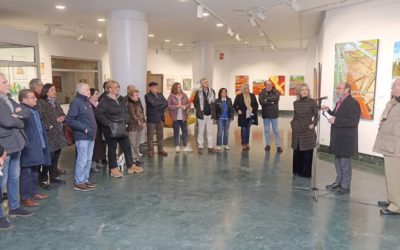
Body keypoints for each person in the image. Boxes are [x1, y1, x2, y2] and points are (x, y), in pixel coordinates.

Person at [0, 73, 34, 227]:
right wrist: (17, 119)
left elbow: (26, 113)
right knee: (2, 181)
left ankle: (14, 207)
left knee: (14, 177)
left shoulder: (9, 99)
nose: (8, 84)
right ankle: (1, 216)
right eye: (4, 82)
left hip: (17, 143)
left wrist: (16, 116)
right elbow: (7, 121)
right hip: (4, 147)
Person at [95, 80, 143, 178]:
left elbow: (125, 111)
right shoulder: (104, 100)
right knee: (112, 148)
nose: (117, 89)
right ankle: (113, 169)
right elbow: (98, 114)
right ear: (109, 89)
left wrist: (126, 120)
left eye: (118, 87)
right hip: (110, 128)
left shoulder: (121, 98)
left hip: (121, 126)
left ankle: (130, 166)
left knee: (126, 146)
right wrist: (108, 123)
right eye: (114, 87)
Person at [322, 82, 361, 195]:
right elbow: (337, 116)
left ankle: (345, 187)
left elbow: (353, 122)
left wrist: (336, 120)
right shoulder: (340, 102)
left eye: (339, 88)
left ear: (347, 90)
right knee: (338, 162)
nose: (337, 90)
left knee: (345, 164)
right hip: (338, 138)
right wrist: (328, 111)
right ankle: (338, 183)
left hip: (346, 139)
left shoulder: (353, 103)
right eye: (337, 88)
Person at [19, 89, 51, 206]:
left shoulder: (33, 111)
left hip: (38, 145)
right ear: (24, 99)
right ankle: (25, 197)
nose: (35, 99)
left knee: (34, 171)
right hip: (29, 147)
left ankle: (34, 192)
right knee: (26, 173)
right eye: (32, 97)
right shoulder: (22, 112)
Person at [373, 78, 400, 215]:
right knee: (390, 175)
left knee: (394, 176)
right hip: (389, 145)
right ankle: (392, 199)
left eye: (394, 87)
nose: (392, 90)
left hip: (396, 147)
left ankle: (397, 206)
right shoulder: (393, 102)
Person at [66, 83, 98, 192]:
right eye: (88, 89)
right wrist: (84, 128)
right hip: (82, 136)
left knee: (88, 160)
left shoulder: (87, 102)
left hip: (90, 136)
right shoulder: (76, 102)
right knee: (82, 160)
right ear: (81, 91)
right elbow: (69, 120)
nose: (90, 91)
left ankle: (85, 179)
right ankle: (79, 182)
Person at [36, 83, 67, 188]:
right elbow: (39, 119)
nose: (55, 91)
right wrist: (52, 123)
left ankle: (53, 177)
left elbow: (62, 114)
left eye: (55, 89)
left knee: (56, 157)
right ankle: (44, 179)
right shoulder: (40, 103)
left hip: (58, 134)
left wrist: (63, 117)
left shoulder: (56, 103)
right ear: (46, 92)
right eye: (52, 90)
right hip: (48, 135)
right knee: (48, 158)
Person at [290, 84, 318, 178]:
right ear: (299, 92)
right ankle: (297, 171)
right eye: (302, 90)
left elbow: (316, 116)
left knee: (307, 153)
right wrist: (292, 124)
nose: (305, 91)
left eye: (306, 89)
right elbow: (295, 116)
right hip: (297, 130)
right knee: (297, 151)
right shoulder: (296, 103)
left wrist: (313, 124)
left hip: (308, 130)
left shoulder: (313, 102)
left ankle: (305, 173)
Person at [145, 82, 168, 157]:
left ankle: (160, 150)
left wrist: (158, 104)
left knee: (160, 136)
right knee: (150, 137)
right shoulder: (147, 96)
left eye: (156, 87)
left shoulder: (160, 94)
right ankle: (150, 151)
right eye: (154, 87)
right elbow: (152, 104)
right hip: (151, 119)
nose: (156, 88)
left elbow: (166, 103)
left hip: (160, 118)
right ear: (150, 88)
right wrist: (160, 104)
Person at [258, 80, 283, 153]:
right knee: (266, 130)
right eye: (268, 85)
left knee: (275, 130)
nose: (269, 86)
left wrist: (267, 99)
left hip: (274, 114)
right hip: (266, 114)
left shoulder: (275, 91)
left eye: (270, 85)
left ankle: (278, 146)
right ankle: (267, 145)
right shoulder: (261, 93)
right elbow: (261, 102)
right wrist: (271, 102)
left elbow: (276, 99)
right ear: (265, 85)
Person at [167, 82, 192, 153]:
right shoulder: (171, 96)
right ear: (175, 88)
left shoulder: (184, 95)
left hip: (183, 117)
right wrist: (176, 106)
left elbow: (189, 104)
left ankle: (185, 146)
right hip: (175, 118)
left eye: (180, 87)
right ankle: (177, 146)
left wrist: (184, 106)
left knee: (185, 131)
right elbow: (168, 105)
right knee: (176, 132)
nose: (180, 88)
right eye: (178, 87)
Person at [193, 78, 217, 153]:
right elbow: (195, 102)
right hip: (202, 115)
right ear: (201, 84)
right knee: (201, 131)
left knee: (210, 132)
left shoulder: (212, 91)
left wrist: (214, 112)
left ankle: (210, 147)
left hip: (210, 115)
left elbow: (214, 102)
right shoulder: (198, 92)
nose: (206, 83)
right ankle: (200, 146)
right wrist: (199, 109)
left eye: (207, 82)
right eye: (204, 82)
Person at [233, 83, 259, 150]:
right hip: (242, 115)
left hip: (250, 115)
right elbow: (234, 105)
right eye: (247, 88)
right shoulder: (239, 96)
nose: (248, 89)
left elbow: (256, 105)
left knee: (248, 129)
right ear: (243, 89)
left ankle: (247, 143)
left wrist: (253, 110)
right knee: (244, 129)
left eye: (248, 88)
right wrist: (238, 110)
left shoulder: (252, 95)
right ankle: (243, 144)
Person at [126, 85, 146, 165]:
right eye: (136, 95)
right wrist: (140, 122)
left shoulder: (137, 102)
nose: (138, 97)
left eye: (138, 95)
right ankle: (133, 160)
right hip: (132, 126)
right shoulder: (129, 104)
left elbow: (141, 112)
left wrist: (143, 121)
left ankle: (137, 158)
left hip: (139, 126)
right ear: (131, 96)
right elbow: (134, 116)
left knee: (137, 144)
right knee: (132, 144)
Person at [89, 88, 107, 173]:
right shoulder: (89, 105)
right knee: (94, 147)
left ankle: (98, 161)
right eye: (95, 94)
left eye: (97, 94)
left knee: (100, 146)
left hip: (100, 128)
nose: (97, 96)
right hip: (93, 128)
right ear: (90, 95)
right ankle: (93, 165)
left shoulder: (98, 104)